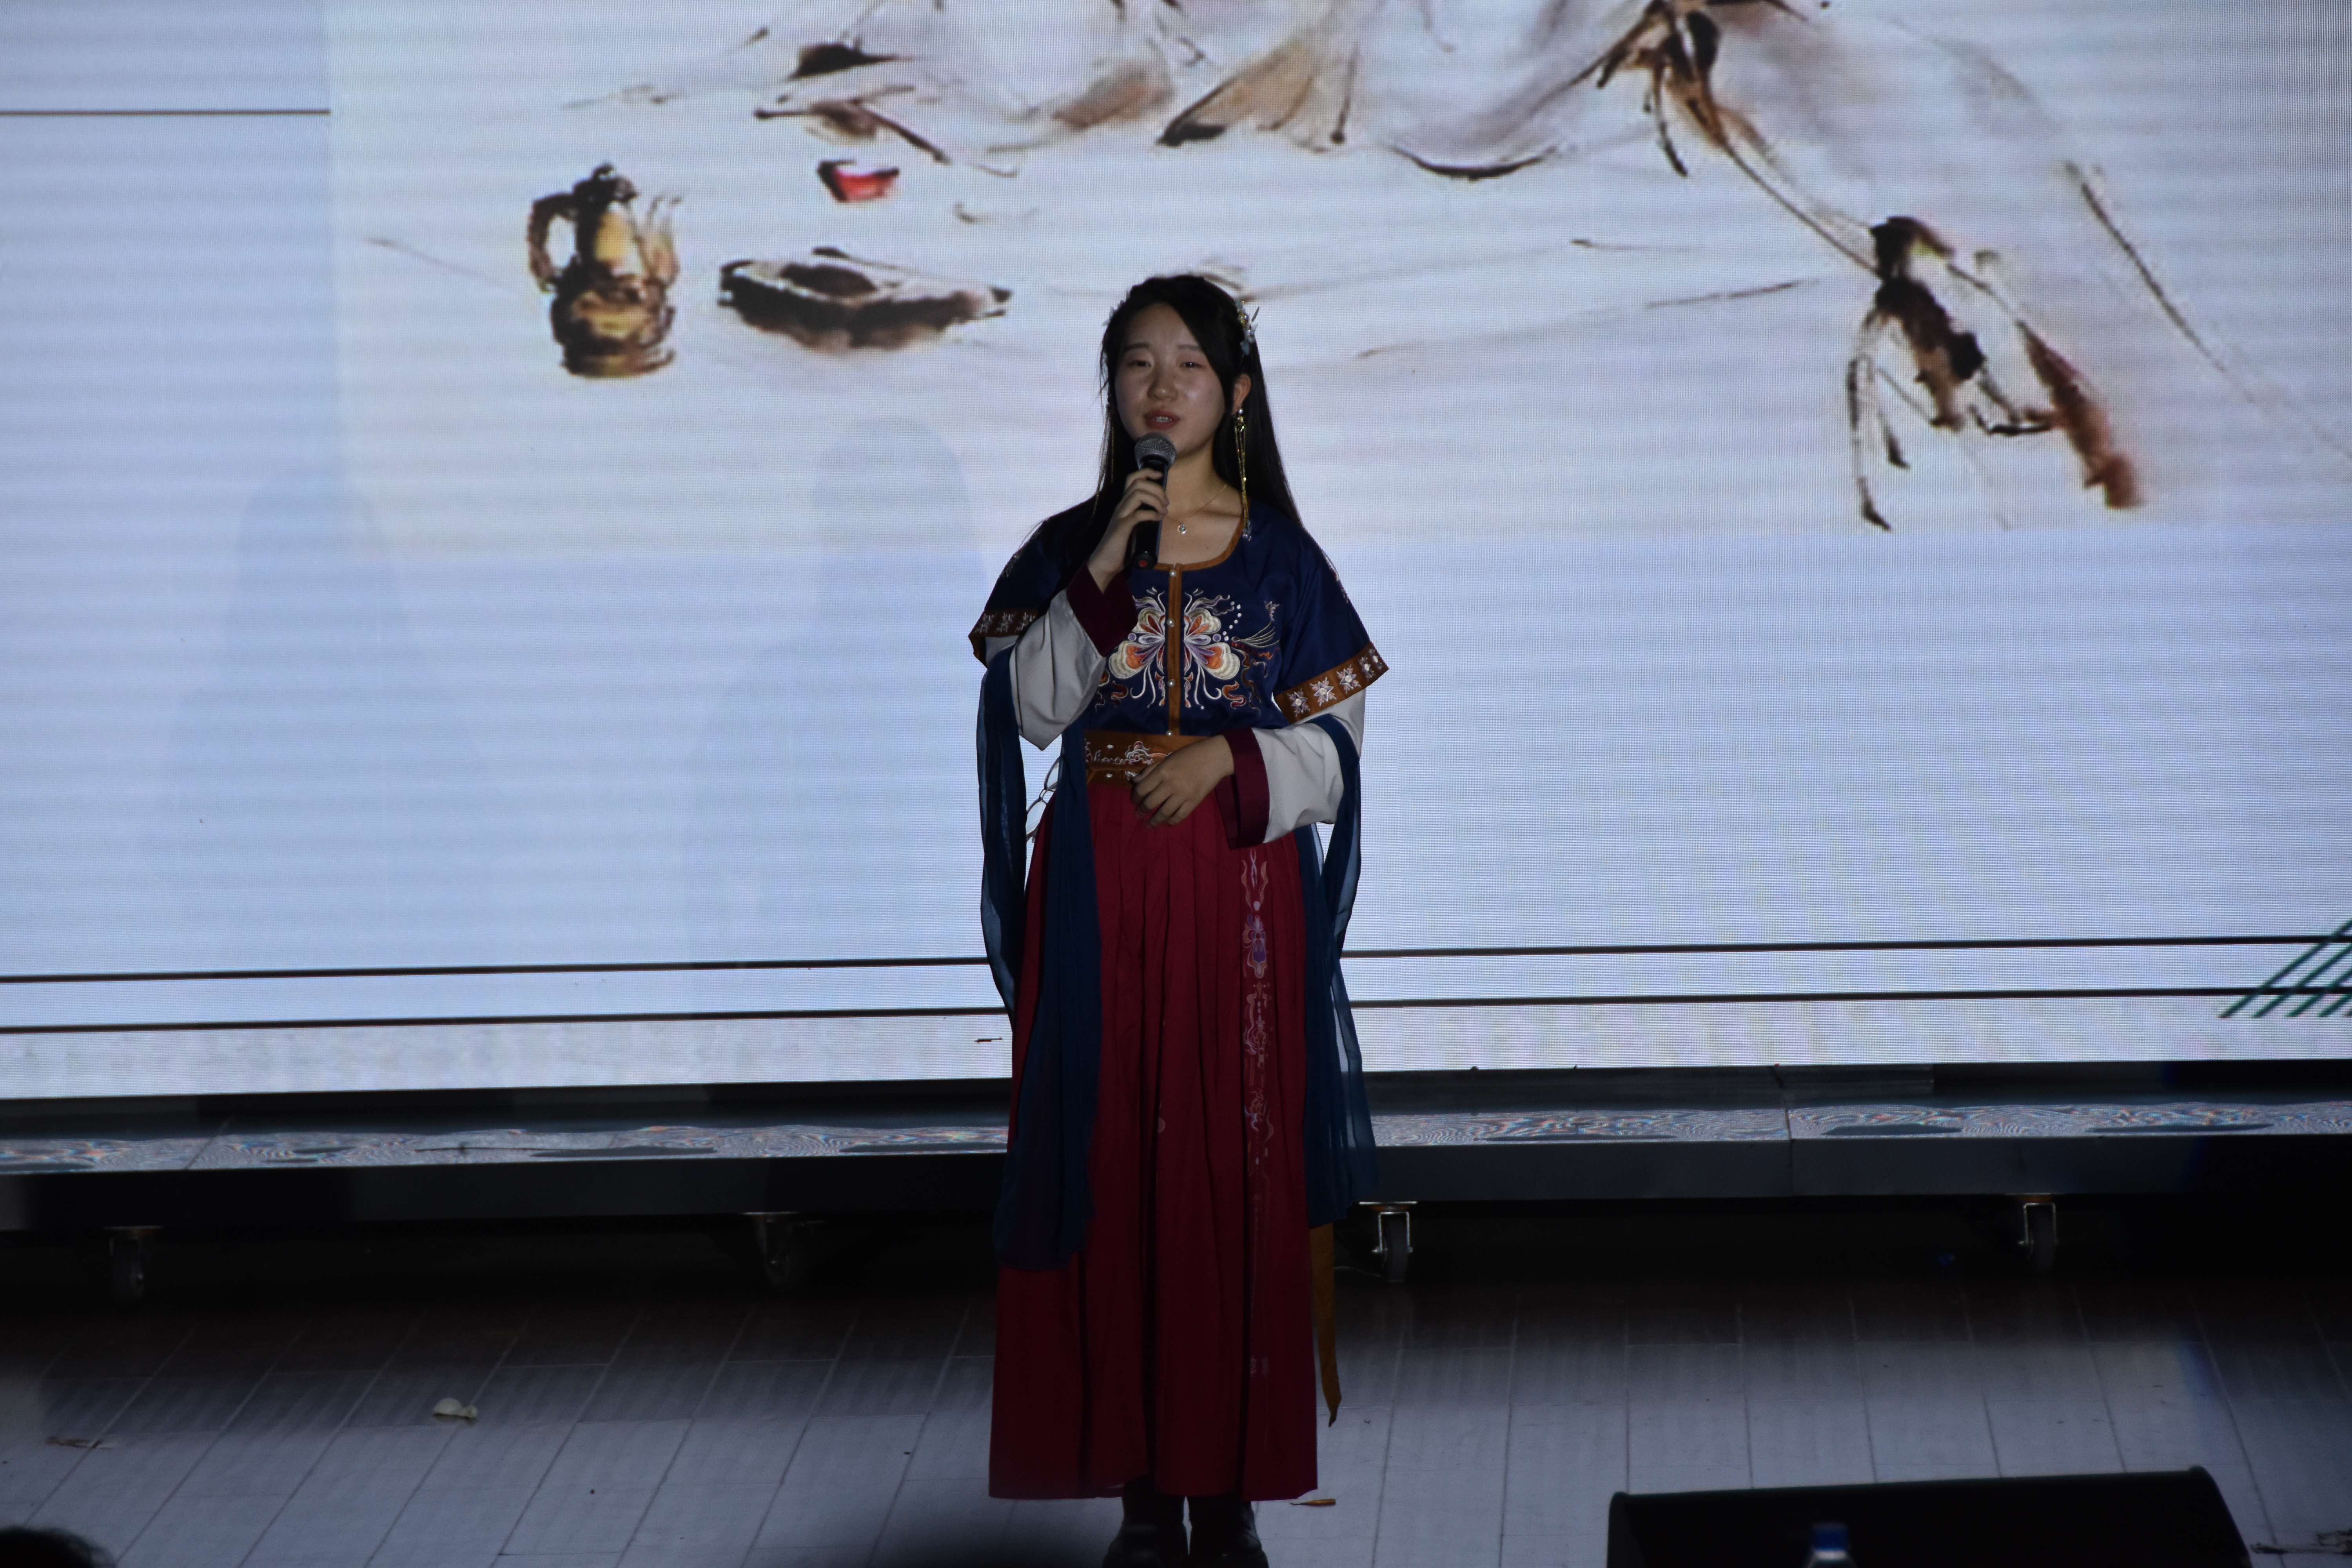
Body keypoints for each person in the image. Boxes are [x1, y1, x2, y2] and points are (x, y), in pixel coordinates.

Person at [969, 275, 1385, 1567]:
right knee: (1111, 1165)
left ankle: (1229, 1491)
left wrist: (1230, 760)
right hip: (1097, 889)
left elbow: (1339, 752)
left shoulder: (1283, 560)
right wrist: (1107, 560)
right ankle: (1141, 1492)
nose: (1162, 387)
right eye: (1138, 364)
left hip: (1234, 894)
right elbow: (1031, 709)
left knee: (1230, 1172)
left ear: (1237, 394)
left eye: (1190, 365)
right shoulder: (1066, 546)